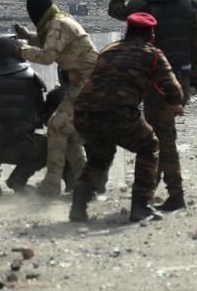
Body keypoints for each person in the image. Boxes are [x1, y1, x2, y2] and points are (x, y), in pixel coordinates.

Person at [108, 0, 197, 211]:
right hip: (180, 77)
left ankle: (174, 194)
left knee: (162, 137)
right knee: (160, 132)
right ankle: (153, 188)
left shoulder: (141, 4)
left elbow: (115, 9)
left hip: (153, 78)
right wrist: (195, 76)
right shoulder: (188, 2)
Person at [69, 13, 185, 223]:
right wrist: (176, 102)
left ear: (128, 31)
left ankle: (78, 205)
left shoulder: (109, 50)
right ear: (150, 35)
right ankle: (140, 206)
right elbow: (171, 86)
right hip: (118, 113)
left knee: (100, 156)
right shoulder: (152, 54)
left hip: (84, 112)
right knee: (150, 147)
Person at [15, 0, 99, 196]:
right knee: (68, 133)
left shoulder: (57, 24)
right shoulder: (58, 21)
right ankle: (84, 184)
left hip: (89, 80)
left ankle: (52, 185)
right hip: (87, 80)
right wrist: (28, 37)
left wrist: (23, 51)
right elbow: (52, 43)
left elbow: (47, 56)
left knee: (56, 126)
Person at [0, 37, 50, 197]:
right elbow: (41, 116)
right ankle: (18, 179)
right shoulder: (32, 79)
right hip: (21, 146)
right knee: (52, 146)